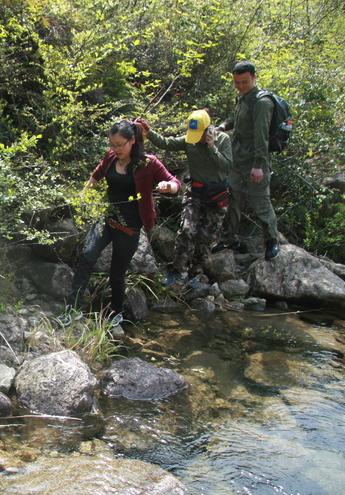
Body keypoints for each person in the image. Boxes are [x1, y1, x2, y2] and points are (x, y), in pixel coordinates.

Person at [58, 120, 181, 328]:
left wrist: (167, 186)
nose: (115, 149)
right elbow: (97, 173)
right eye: (112, 144)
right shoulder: (111, 156)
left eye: (120, 144)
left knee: (117, 274)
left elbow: (176, 184)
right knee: (87, 256)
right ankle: (73, 309)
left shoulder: (148, 163)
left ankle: (118, 312)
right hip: (107, 220)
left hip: (129, 229)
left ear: (132, 140)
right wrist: (83, 193)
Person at [137, 110, 233, 287]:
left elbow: (227, 166)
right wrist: (148, 133)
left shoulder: (223, 140)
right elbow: (166, 143)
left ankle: (195, 272)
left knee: (206, 237)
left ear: (208, 130)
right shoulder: (189, 141)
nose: (197, 138)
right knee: (187, 231)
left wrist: (212, 149)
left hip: (216, 195)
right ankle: (176, 270)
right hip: (195, 193)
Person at [213, 61, 280, 260]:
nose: (240, 86)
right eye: (237, 82)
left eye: (244, 82)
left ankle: (272, 241)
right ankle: (229, 238)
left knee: (260, 201)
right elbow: (236, 119)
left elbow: (262, 137)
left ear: (254, 77)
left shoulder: (261, 102)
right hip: (237, 159)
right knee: (233, 197)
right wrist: (223, 126)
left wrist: (258, 166)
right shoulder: (242, 98)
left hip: (255, 161)